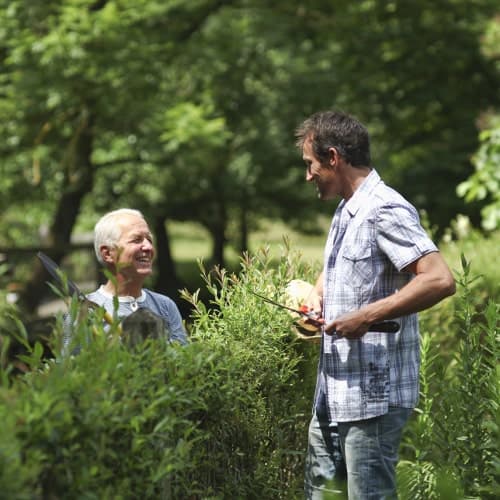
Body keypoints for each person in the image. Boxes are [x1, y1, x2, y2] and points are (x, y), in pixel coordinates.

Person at [295, 111, 456, 499]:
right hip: (333, 393)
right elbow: (337, 269)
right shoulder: (345, 209)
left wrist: (365, 316)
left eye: (310, 165)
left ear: (333, 158)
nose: (307, 176)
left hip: (371, 399)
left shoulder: (384, 208)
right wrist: (317, 296)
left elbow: (439, 279)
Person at [63, 208, 187, 353]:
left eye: (149, 239)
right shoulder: (83, 313)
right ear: (108, 253)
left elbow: (184, 365)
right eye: (136, 240)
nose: (148, 246)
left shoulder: (165, 306)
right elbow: (68, 370)